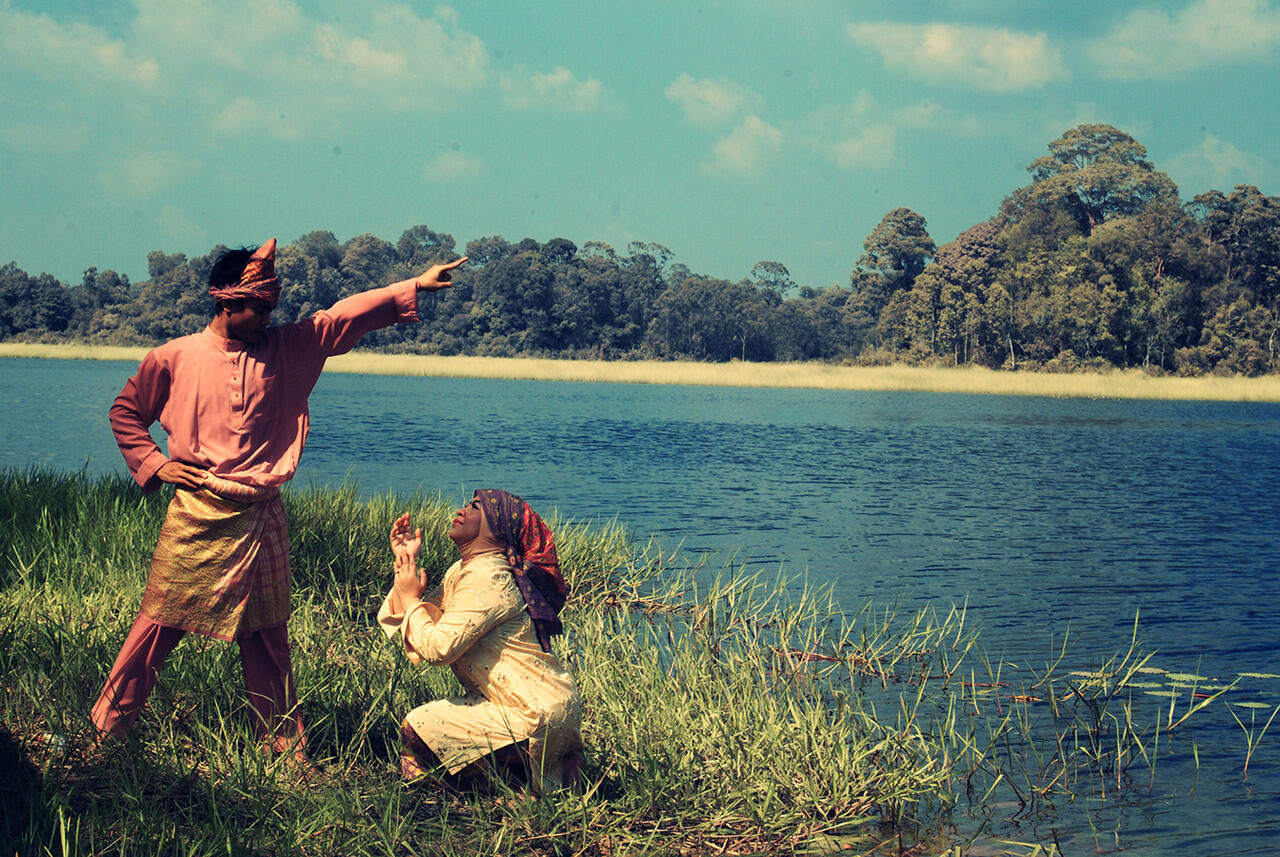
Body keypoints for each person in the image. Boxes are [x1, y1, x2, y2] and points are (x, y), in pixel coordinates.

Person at [91, 237, 467, 761]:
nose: (269, 316)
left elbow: (338, 318)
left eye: (271, 306)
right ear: (225, 301)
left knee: (268, 637)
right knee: (160, 622)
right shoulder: (172, 357)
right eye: (259, 307)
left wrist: (414, 285)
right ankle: (105, 730)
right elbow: (126, 413)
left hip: (262, 514)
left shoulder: (287, 348)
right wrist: (157, 464)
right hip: (198, 513)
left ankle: (285, 754)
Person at [379, 489, 584, 793]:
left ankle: (519, 786)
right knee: (429, 729)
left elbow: (437, 648)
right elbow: (432, 617)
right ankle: (541, 773)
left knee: (417, 728)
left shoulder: (489, 577)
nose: (462, 510)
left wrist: (411, 601)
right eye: (466, 504)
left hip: (533, 713)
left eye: (475, 507)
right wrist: (405, 563)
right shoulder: (465, 570)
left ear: (498, 530)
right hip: (536, 707)